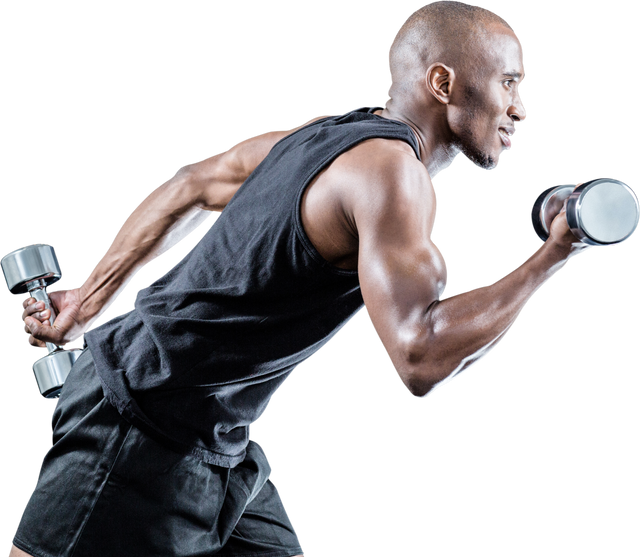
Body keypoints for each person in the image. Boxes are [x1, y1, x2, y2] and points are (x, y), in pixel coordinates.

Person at [9, 1, 595, 555]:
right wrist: (554, 255)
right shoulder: (392, 176)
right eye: (509, 83)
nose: (520, 107)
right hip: (138, 420)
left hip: (218, 435)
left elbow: (190, 184)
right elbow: (420, 358)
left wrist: (85, 302)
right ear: (443, 85)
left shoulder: (332, 131)